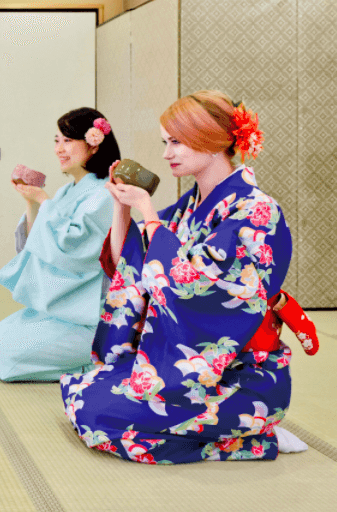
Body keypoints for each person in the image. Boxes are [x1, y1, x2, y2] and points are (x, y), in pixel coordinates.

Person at [61, 90, 304, 464]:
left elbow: (188, 285)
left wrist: (146, 208)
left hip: (238, 370)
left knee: (100, 417)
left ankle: (257, 438)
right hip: (188, 365)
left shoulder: (257, 210)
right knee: (83, 393)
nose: (166, 153)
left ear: (209, 141)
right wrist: (122, 207)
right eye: (165, 142)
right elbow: (129, 267)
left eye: (176, 142)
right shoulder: (190, 206)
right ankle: (233, 432)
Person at [0, 108, 120, 381]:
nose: (59, 149)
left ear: (94, 145)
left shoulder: (105, 194)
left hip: (89, 316)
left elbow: (73, 247)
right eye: (57, 140)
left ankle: (93, 362)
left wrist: (44, 200)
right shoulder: (67, 191)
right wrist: (31, 201)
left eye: (68, 141)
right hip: (61, 308)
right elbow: (36, 243)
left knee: (5, 357)